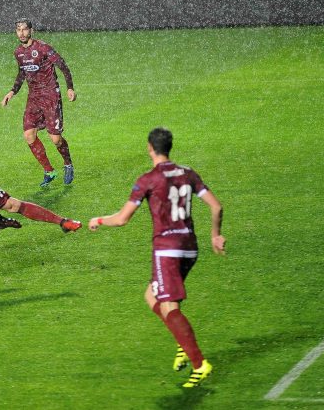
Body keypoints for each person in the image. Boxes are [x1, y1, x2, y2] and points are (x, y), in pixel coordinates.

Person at [87, 127, 225, 388]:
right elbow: (216, 206)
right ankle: (182, 342)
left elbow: (123, 218)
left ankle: (200, 364)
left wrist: (99, 220)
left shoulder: (148, 179)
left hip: (167, 249)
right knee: (152, 296)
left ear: (150, 148)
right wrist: (216, 235)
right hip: (190, 246)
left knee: (169, 306)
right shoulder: (188, 173)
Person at [1, 18, 76, 187]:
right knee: (29, 135)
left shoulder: (43, 48)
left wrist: (70, 88)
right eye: (18, 30)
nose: (21, 33)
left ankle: (68, 163)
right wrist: (12, 91)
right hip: (34, 97)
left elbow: (63, 66)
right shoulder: (18, 52)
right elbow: (22, 73)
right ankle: (49, 171)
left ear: (31, 31)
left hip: (50, 96)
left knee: (55, 139)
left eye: (24, 29)